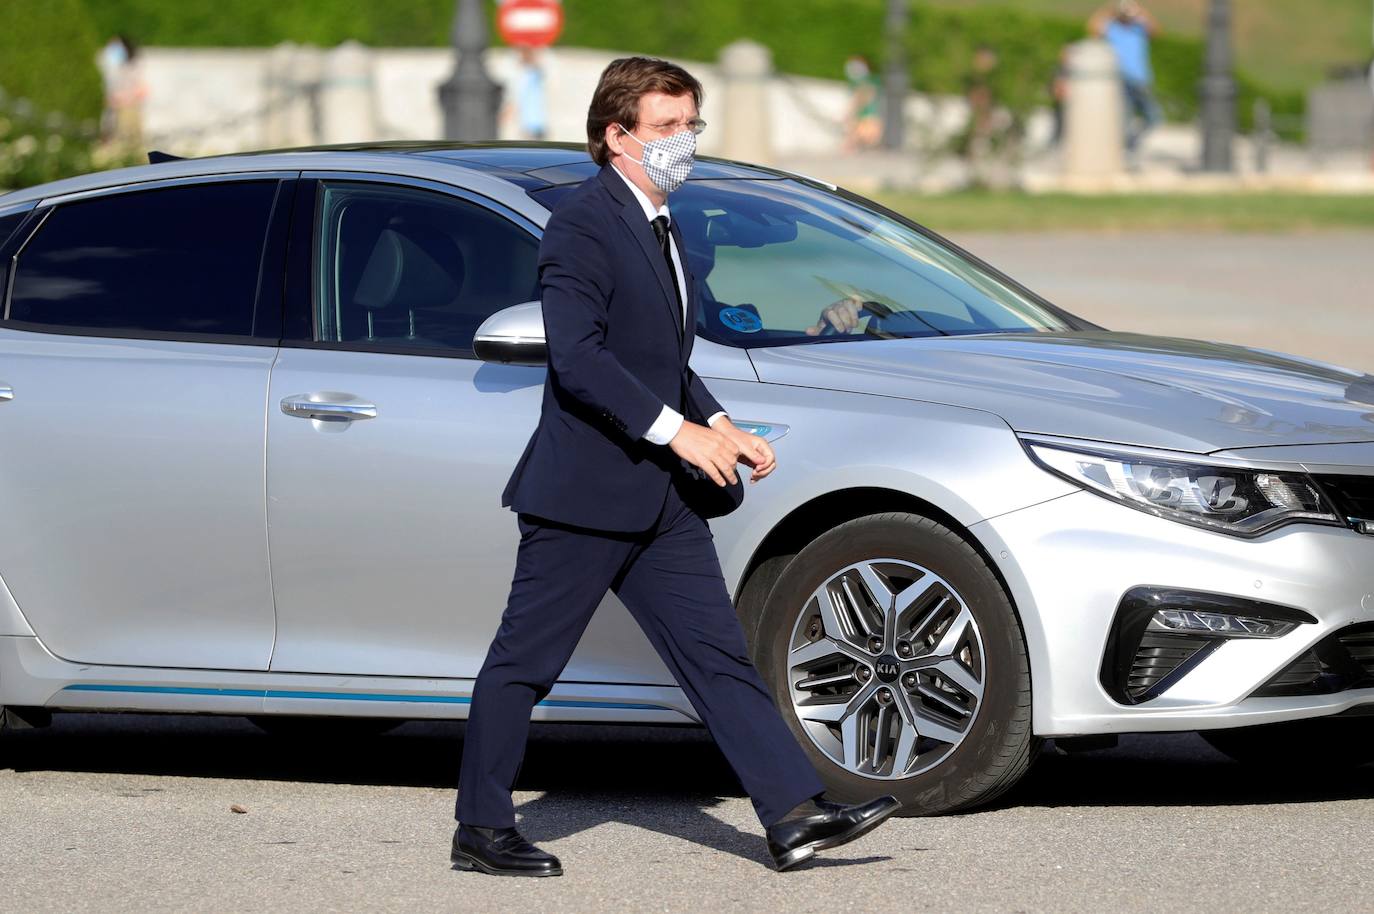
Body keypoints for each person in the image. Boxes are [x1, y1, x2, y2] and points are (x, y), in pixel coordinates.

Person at [451, 56, 901, 878]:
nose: (682, 143)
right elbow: (579, 360)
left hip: (658, 500)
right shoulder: (582, 225)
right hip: (584, 494)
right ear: (615, 136)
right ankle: (481, 828)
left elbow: (662, 358)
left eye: (690, 125)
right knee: (525, 664)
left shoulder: (664, 224)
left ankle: (793, 816)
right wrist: (678, 434)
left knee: (716, 655)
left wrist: (723, 425)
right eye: (665, 128)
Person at [1089, 0, 1162, 161]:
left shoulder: (1138, 28)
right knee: (1124, 119)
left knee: (1154, 117)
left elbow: (1156, 31)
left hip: (1141, 80)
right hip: (1121, 80)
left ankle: (1130, 144)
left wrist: (1139, 11)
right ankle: (1123, 153)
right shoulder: (1113, 29)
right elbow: (1093, 29)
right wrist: (1111, 10)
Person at [843, 54, 882, 152]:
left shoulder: (866, 82)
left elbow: (861, 99)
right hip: (869, 116)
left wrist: (850, 113)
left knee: (859, 141)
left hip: (867, 116)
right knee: (867, 143)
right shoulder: (871, 81)